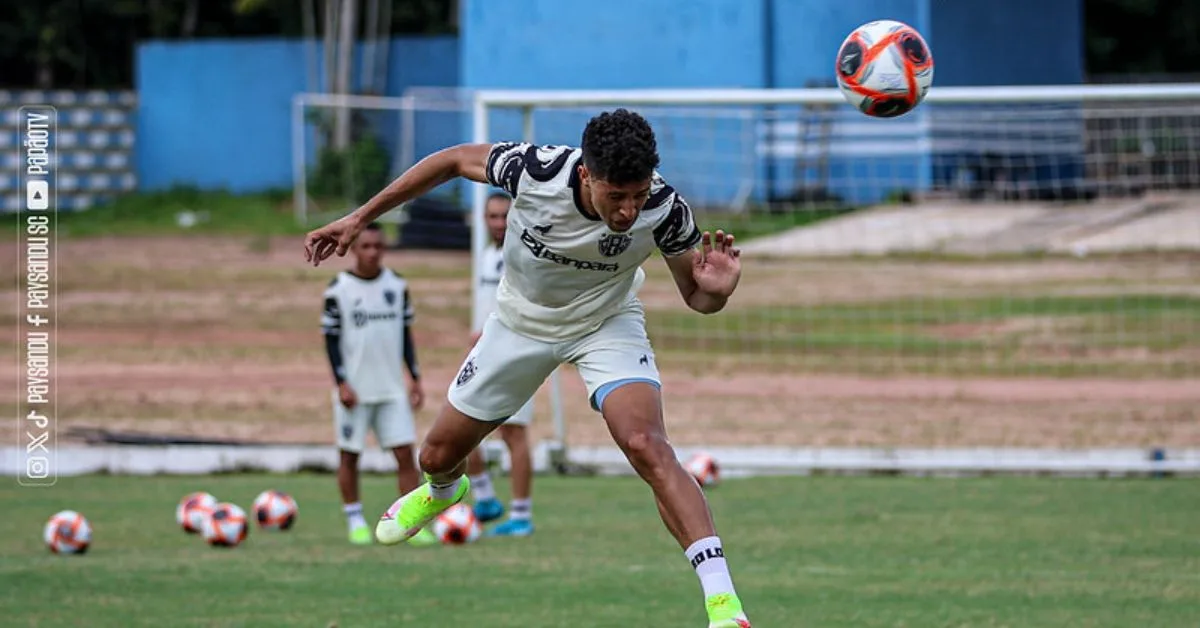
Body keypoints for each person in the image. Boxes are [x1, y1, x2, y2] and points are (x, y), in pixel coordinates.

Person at [305, 109, 751, 627]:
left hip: (606, 322)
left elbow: (697, 297)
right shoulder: (535, 171)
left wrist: (716, 293)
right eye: (616, 195)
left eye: (637, 193)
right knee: (436, 455)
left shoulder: (665, 209)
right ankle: (445, 491)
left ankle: (723, 602)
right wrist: (360, 217)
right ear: (586, 174)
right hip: (519, 324)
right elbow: (450, 160)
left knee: (646, 444)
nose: (629, 210)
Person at [320, 222, 438, 547]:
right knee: (349, 455)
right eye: (365, 247)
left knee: (405, 454)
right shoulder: (338, 290)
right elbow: (330, 341)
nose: (372, 253)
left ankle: (410, 524)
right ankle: (355, 520)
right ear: (354, 249)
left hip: (391, 389)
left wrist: (414, 377)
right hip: (354, 392)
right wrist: (342, 383)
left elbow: (405, 336)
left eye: (378, 247)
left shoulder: (396, 286)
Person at [464, 192, 538, 537]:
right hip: (484, 353)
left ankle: (521, 515)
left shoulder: (525, 254)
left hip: (519, 352)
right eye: (491, 216)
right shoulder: (485, 256)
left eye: (503, 216)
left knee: (514, 432)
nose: (498, 223)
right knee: (464, 424)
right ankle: (485, 499)